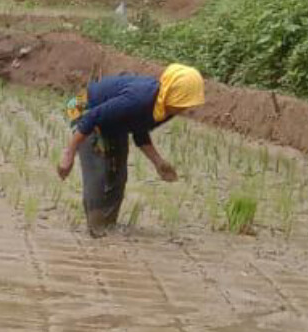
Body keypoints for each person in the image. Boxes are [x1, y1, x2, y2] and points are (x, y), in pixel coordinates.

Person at [54, 63, 204, 236]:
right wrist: (69, 153)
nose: (185, 108)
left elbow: (139, 130)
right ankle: (96, 228)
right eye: (183, 102)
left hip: (112, 121)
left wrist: (158, 162)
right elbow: (91, 118)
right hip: (84, 109)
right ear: (174, 92)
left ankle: (108, 225)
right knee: (99, 170)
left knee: (118, 172)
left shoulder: (164, 108)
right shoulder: (138, 99)